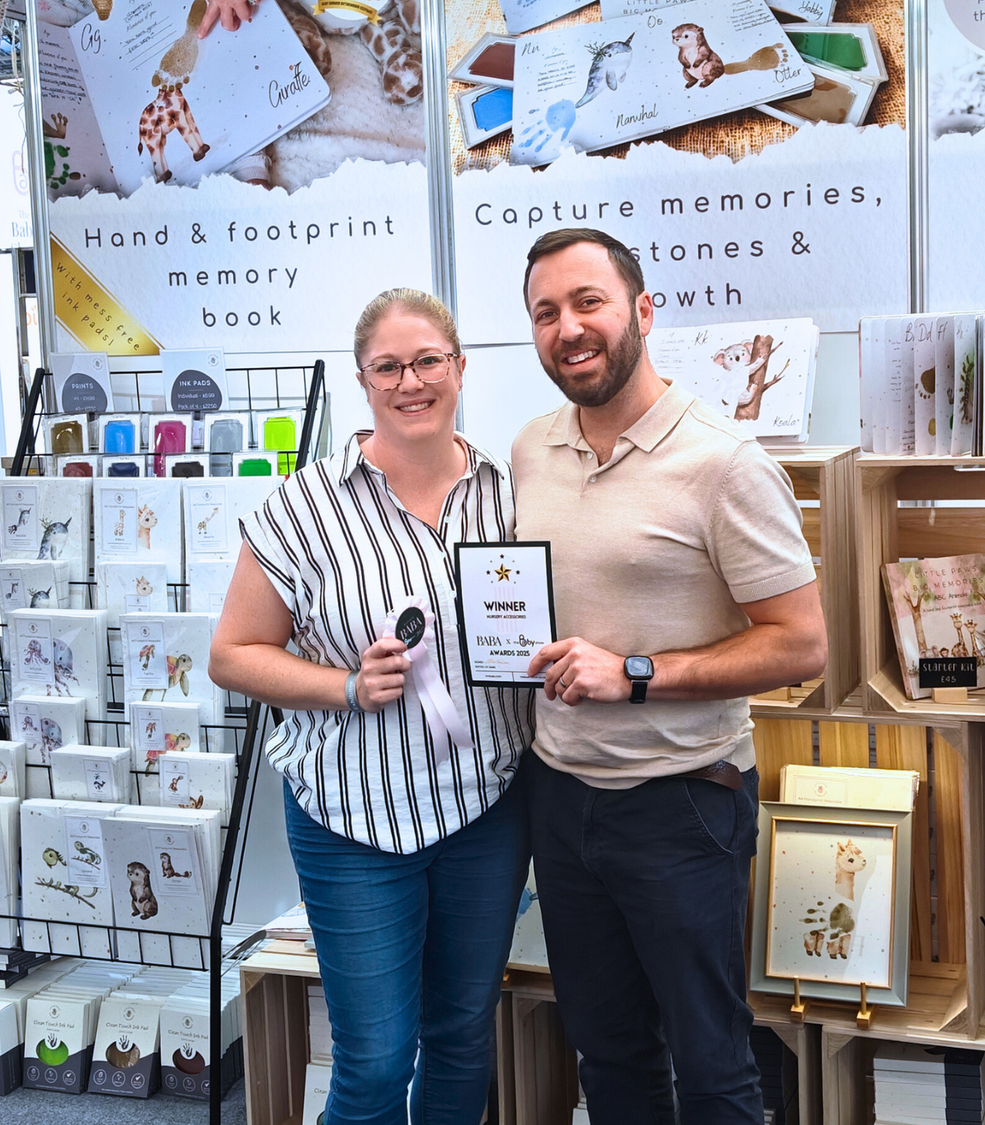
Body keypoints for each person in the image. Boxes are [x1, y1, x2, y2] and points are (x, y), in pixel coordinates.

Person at [511, 228, 828, 1124]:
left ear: (643, 312)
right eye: (545, 312)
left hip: (682, 804)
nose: (568, 328)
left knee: (713, 1063)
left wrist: (636, 672)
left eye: (588, 302)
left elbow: (801, 644)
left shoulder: (725, 463)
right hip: (562, 799)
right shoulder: (531, 448)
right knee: (607, 1056)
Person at [210, 288, 532, 1125]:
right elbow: (232, 655)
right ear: (362, 380)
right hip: (355, 819)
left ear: (460, 369)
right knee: (376, 1059)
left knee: (463, 1036)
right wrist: (345, 686)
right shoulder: (302, 505)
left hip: (485, 810)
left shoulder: (510, 493)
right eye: (387, 366)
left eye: (428, 361)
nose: (410, 381)